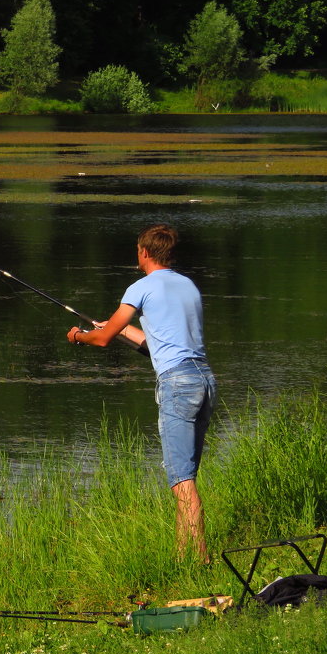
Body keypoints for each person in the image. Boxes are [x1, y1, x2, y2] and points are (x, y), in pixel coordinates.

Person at [66, 224, 217, 562]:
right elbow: (157, 343)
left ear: (144, 253)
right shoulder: (188, 286)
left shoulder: (141, 287)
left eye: (138, 251)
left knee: (181, 480)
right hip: (204, 380)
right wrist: (115, 328)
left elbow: (102, 339)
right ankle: (182, 558)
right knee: (187, 475)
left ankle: (201, 560)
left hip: (178, 384)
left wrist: (79, 336)